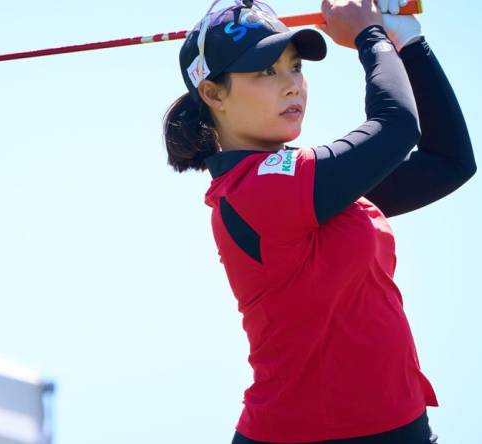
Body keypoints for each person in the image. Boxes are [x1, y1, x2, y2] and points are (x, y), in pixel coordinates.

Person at [162, 0, 476, 442]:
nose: (292, 85)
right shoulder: (261, 189)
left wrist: (409, 41)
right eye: (265, 72)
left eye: (294, 67)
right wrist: (370, 37)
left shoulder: (306, 184)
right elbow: (396, 126)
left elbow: (448, 163)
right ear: (214, 94)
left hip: (400, 428)